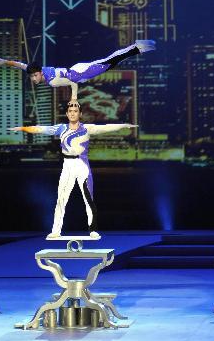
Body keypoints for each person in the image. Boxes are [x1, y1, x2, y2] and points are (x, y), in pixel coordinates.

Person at [10, 101, 137, 239]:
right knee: (61, 199)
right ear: (66, 114)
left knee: (88, 199)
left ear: (80, 114)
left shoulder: (87, 128)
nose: (72, 113)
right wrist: (22, 128)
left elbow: (106, 127)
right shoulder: (61, 128)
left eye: (75, 111)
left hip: (82, 165)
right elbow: (40, 129)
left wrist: (124, 125)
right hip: (67, 165)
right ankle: (56, 230)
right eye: (70, 111)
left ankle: (93, 230)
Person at [0, 39, 156, 100]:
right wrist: (5, 62)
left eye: (34, 76)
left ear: (39, 73)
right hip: (77, 69)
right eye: (32, 77)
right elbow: (21, 65)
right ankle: (137, 48)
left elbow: (73, 83)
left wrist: (73, 99)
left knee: (111, 61)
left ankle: (138, 47)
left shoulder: (52, 82)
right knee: (111, 62)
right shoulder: (40, 70)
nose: (33, 79)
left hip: (82, 73)